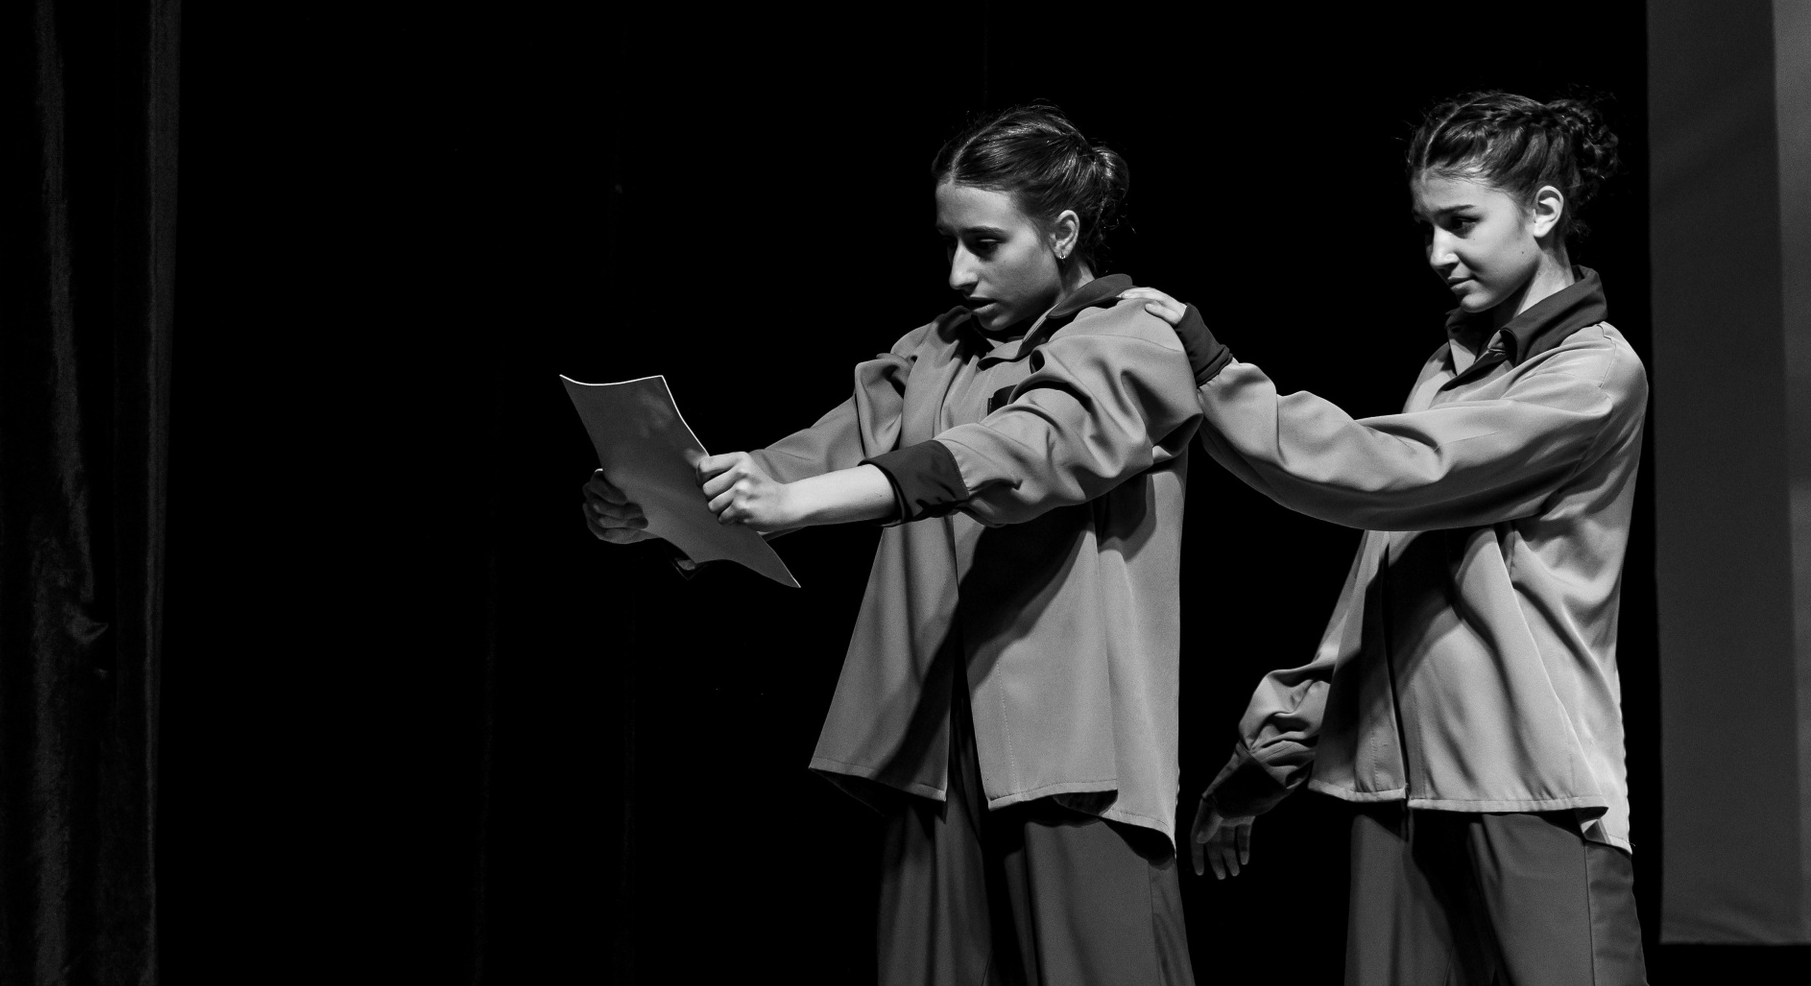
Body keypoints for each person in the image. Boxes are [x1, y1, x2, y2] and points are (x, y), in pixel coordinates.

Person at [583, 104, 1201, 985]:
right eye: (949, 242)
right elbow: (819, 451)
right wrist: (670, 503)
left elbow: (1021, 451)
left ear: (1063, 234)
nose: (958, 271)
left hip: (1073, 751)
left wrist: (794, 500)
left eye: (985, 244)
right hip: (933, 745)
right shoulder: (935, 352)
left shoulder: (1128, 339)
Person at [1124, 91, 1647, 986]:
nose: (1438, 253)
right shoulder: (1447, 368)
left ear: (1544, 210)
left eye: (1462, 222)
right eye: (1426, 226)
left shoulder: (1595, 374)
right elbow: (1382, 580)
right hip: (1395, 789)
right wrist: (1268, 756)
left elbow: (1389, 472)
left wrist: (1216, 373)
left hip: (1532, 786)